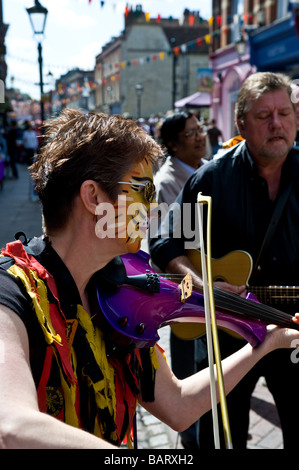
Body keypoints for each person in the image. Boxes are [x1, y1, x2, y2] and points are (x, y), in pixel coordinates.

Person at [0, 108, 299, 450]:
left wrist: (263, 342)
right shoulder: (12, 293)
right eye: (143, 191)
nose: (154, 209)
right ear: (94, 197)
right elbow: (12, 425)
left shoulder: (122, 295)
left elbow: (178, 404)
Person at [149, 72, 299, 449]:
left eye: (284, 113)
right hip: (229, 334)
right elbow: (167, 242)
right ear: (241, 123)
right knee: (224, 438)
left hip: (296, 330)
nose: (276, 124)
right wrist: (199, 284)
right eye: (264, 116)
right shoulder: (209, 180)